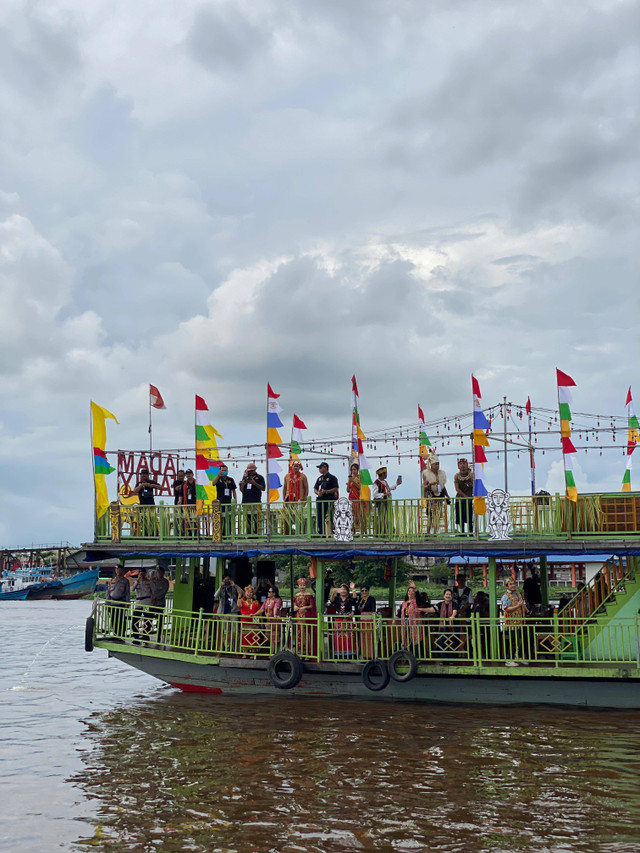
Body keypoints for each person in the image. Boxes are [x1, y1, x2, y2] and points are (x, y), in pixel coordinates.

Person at [400, 582, 435, 655]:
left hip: (415, 625)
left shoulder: (416, 601)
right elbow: (400, 613)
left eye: (412, 592)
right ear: (407, 593)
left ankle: (417, 657)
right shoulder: (404, 603)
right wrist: (395, 618)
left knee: (416, 640)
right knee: (408, 639)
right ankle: (410, 656)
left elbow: (419, 597)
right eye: (409, 591)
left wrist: (415, 588)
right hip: (406, 624)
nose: (410, 593)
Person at [500, 578, 527, 666]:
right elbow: (506, 609)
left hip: (520, 621)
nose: (513, 585)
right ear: (507, 586)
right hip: (511, 622)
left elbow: (522, 604)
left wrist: (524, 608)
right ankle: (509, 658)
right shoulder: (505, 596)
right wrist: (518, 606)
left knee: (522, 639)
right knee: (513, 641)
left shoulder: (518, 594)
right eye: (510, 584)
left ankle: (519, 656)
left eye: (514, 583)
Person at [214, 575, 243, 651]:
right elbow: (215, 595)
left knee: (235, 631)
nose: (227, 582)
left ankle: (235, 648)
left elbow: (242, 593)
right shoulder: (222, 589)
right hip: (224, 613)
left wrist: (235, 585)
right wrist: (221, 586)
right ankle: (228, 648)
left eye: (228, 580)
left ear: (231, 580)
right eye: (225, 580)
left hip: (233, 612)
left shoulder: (234, 588)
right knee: (226, 632)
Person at [422, 455, 449, 534]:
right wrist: (430, 484)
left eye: (438, 464)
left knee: (438, 514)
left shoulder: (442, 474)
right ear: (431, 465)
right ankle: (428, 532)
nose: (437, 466)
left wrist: (447, 495)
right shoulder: (426, 474)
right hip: (431, 495)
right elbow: (425, 487)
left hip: (440, 494)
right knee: (430, 515)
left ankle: (435, 532)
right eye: (435, 464)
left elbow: (443, 486)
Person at [371, 467, 401, 536]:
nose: (386, 475)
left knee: (388, 519)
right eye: (385, 473)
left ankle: (389, 532)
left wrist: (396, 484)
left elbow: (388, 489)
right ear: (382, 474)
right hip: (380, 505)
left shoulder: (384, 482)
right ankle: (381, 534)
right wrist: (384, 494)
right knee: (381, 519)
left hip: (386, 505)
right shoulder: (376, 483)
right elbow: (375, 495)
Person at [330, 583, 357, 658]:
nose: (343, 591)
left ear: (347, 591)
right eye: (341, 589)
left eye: (345, 589)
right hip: (338, 620)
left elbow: (355, 600)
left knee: (349, 638)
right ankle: (338, 655)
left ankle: (349, 655)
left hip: (347, 620)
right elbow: (331, 601)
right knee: (338, 638)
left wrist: (353, 589)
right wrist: (333, 593)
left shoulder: (349, 599)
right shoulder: (337, 599)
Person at [293, 577, 318, 657]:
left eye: (303, 585)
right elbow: (294, 604)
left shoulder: (309, 595)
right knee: (299, 634)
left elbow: (312, 606)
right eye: (300, 585)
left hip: (306, 616)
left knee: (307, 634)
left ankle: (308, 653)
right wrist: (295, 607)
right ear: (298, 586)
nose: (302, 586)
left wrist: (305, 607)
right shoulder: (296, 595)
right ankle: (300, 653)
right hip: (298, 616)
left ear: (306, 586)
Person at [239, 463, 266, 535]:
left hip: (256, 501)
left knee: (256, 519)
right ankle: (249, 534)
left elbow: (263, 488)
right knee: (248, 520)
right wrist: (242, 485)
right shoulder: (245, 478)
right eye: (249, 471)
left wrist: (254, 483)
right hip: (246, 502)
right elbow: (242, 490)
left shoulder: (260, 477)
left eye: (252, 471)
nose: (250, 472)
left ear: (255, 470)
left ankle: (257, 534)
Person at [314, 462, 339, 536]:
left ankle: (333, 532)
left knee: (331, 516)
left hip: (329, 499)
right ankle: (321, 532)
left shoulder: (332, 478)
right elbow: (315, 488)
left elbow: (335, 488)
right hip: (321, 500)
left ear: (325, 468)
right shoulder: (319, 478)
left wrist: (326, 491)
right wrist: (318, 493)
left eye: (321, 468)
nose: (320, 469)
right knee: (320, 516)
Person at [283, 461, 308, 534]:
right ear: (292, 467)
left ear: (299, 467)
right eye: (294, 466)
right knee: (288, 516)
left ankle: (300, 532)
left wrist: (305, 499)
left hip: (299, 499)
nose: (296, 467)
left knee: (299, 516)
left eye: (297, 466)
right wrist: (284, 498)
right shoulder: (287, 476)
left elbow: (306, 488)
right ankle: (287, 532)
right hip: (288, 499)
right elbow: (284, 487)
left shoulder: (303, 476)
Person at [211, 465, 237, 536]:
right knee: (220, 519)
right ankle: (221, 534)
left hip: (228, 502)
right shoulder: (218, 480)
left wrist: (235, 501)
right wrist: (218, 475)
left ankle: (228, 534)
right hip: (220, 503)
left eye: (225, 470)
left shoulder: (230, 480)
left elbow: (234, 491)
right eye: (223, 470)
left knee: (228, 519)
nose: (224, 472)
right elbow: (213, 483)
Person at [256, 584, 283, 651]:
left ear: (274, 593)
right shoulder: (266, 600)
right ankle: (271, 652)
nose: (268, 593)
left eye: (269, 592)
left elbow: (276, 608)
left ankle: (273, 653)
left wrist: (275, 615)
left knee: (274, 638)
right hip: (269, 621)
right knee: (269, 638)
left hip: (275, 621)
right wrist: (254, 614)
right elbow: (262, 609)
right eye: (268, 591)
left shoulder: (278, 600)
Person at [106, 565, 130, 635]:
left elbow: (127, 593)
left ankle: (121, 633)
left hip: (121, 602)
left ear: (122, 571)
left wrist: (127, 603)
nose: (118, 571)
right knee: (113, 619)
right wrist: (107, 603)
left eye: (119, 569)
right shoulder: (112, 580)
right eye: (116, 569)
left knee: (121, 619)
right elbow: (108, 592)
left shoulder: (125, 581)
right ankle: (115, 633)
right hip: (113, 602)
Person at [354, 583, 377, 659]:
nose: (364, 592)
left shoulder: (371, 599)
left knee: (369, 638)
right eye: (362, 591)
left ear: (368, 591)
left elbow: (373, 609)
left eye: (365, 590)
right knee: (363, 638)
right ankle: (364, 655)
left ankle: (371, 655)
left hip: (369, 621)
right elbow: (357, 610)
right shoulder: (360, 600)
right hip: (362, 621)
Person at [238, 585, 261, 654]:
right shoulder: (242, 600)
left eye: (251, 592)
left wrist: (261, 623)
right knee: (245, 636)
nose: (249, 594)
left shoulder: (256, 602)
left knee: (253, 636)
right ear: (245, 593)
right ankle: (244, 652)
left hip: (254, 621)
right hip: (245, 620)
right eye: (248, 592)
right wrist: (239, 596)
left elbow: (259, 612)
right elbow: (239, 606)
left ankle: (253, 652)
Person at [453, 458, 474, 533]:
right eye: (461, 464)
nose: (463, 466)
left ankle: (471, 532)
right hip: (460, 499)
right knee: (460, 517)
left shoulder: (471, 475)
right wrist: (465, 496)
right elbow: (457, 489)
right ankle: (462, 532)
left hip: (469, 499)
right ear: (458, 466)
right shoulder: (457, 476)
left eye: (464, 463)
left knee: (469, 517)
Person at [132, 567, 153, 642]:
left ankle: (146, 635)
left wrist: (147, 578)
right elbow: (132, 589)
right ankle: (136, 636)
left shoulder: (149, 582)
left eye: (143, 573)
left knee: (147, 619)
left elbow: (152, 590)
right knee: (135, 619)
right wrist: (137, 580)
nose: (142, 575)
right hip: (139, 602)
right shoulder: (136, 582)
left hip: (147, 601)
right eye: (140, 573)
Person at [150, 566, 170, 639]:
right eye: (158, 572)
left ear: (163, 573)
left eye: (160, 572)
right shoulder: (152, 580)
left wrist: (156, 596)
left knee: (160, 620)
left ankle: (159, 636)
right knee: (149, 619)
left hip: (160, 603)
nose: (159, 573)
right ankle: (146, 635)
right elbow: (149, 589)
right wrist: (151, 597)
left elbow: (163, 592)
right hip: (152, 603)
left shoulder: (165, 582)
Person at [346, 462, 365, 535]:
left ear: (357, 470)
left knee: (359, 516)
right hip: (351, 499)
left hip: (358, 499)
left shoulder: (360, 478)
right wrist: (349, 481)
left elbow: (361, 488)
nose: (353, 471)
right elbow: (348, 490)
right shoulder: (351, 478)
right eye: (352, 470)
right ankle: (352, 532)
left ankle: (362, 533)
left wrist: (354, 481)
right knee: (352, 517)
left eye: (354, 469)